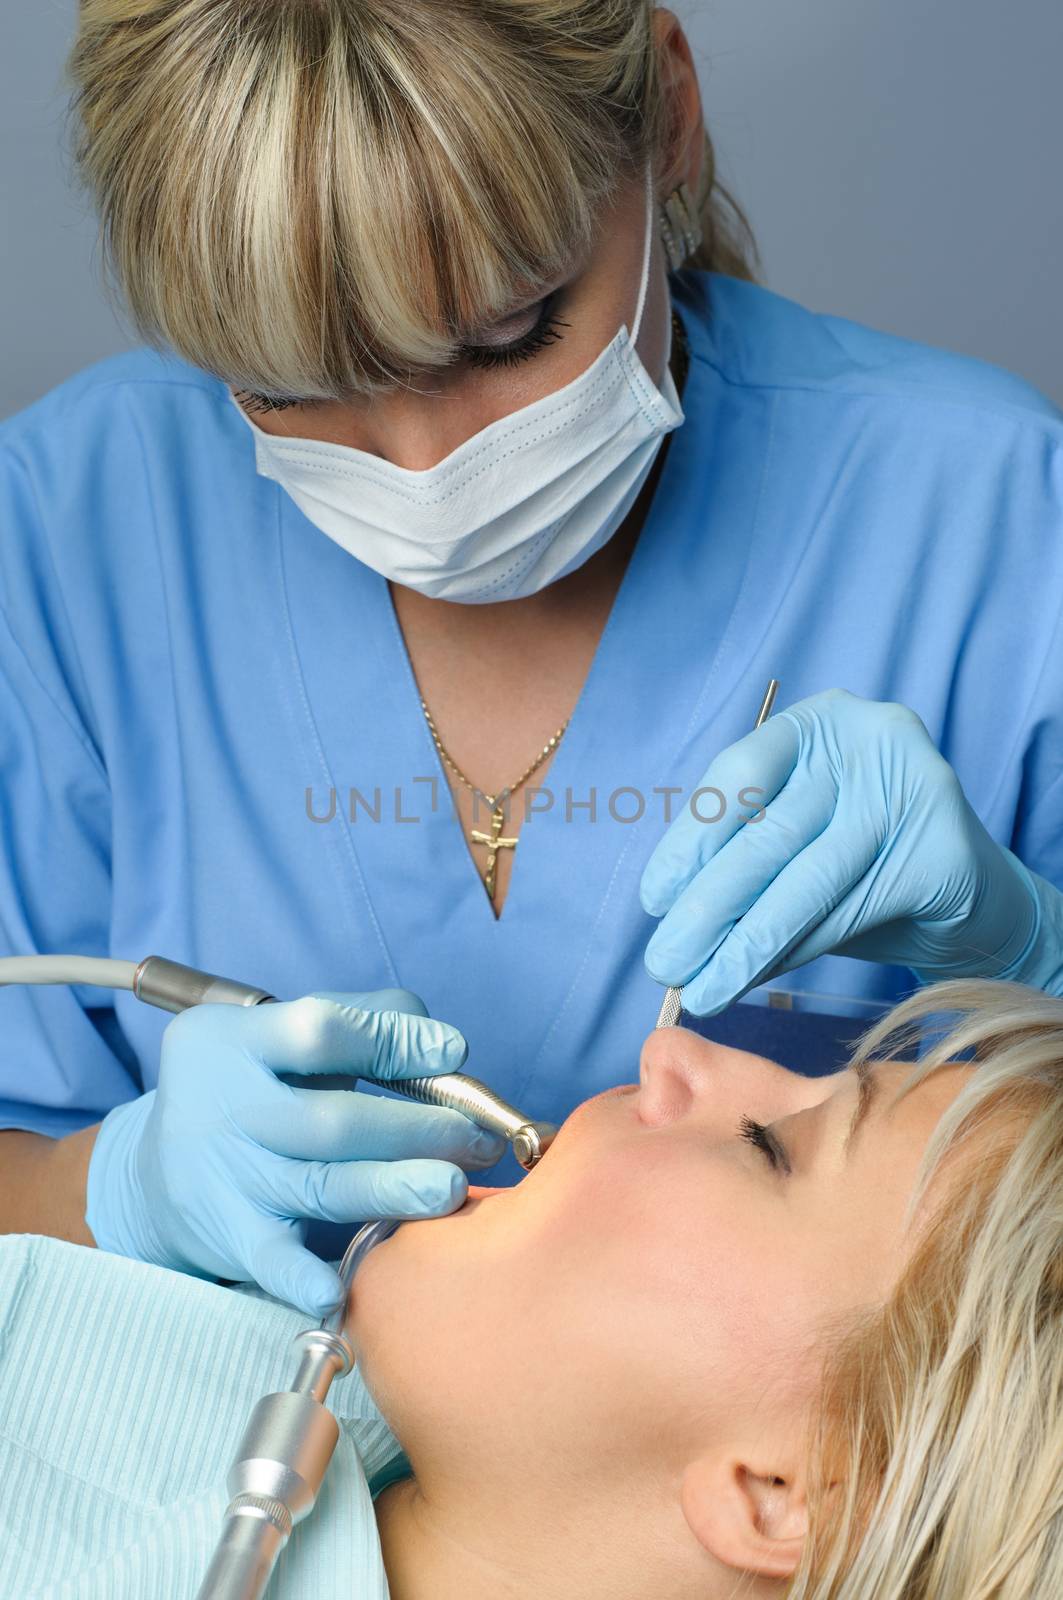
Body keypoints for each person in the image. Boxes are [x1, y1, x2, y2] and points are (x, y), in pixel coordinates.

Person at [2, 1, 1062, 1312]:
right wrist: (105, 1189)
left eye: (505, 338)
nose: (420, 466)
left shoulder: (993, 523)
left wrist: (1025, 950)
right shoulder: (67, 531)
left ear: (663, 119)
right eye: (288, 384)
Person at [1, 976, 1060, 1598]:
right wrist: (76, 1187)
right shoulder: (247, 1368)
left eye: (767, 1146)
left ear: (778, 1493)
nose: (669, 1053)